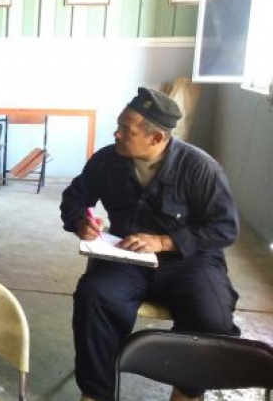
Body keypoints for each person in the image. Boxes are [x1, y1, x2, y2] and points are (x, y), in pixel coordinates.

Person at [61, 87, 240, 401]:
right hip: (127, 257)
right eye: (118, 126)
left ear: (156, 138)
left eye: (125, 130)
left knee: (212, 319)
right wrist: (81, 222)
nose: (116, 134)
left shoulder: (199, 167)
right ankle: (96, 393)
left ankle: (187, 391)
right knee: (94, 297)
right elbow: (74, 199)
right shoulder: (107, 160)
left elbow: (224, 227)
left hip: (189, 262)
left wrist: (165, 241)